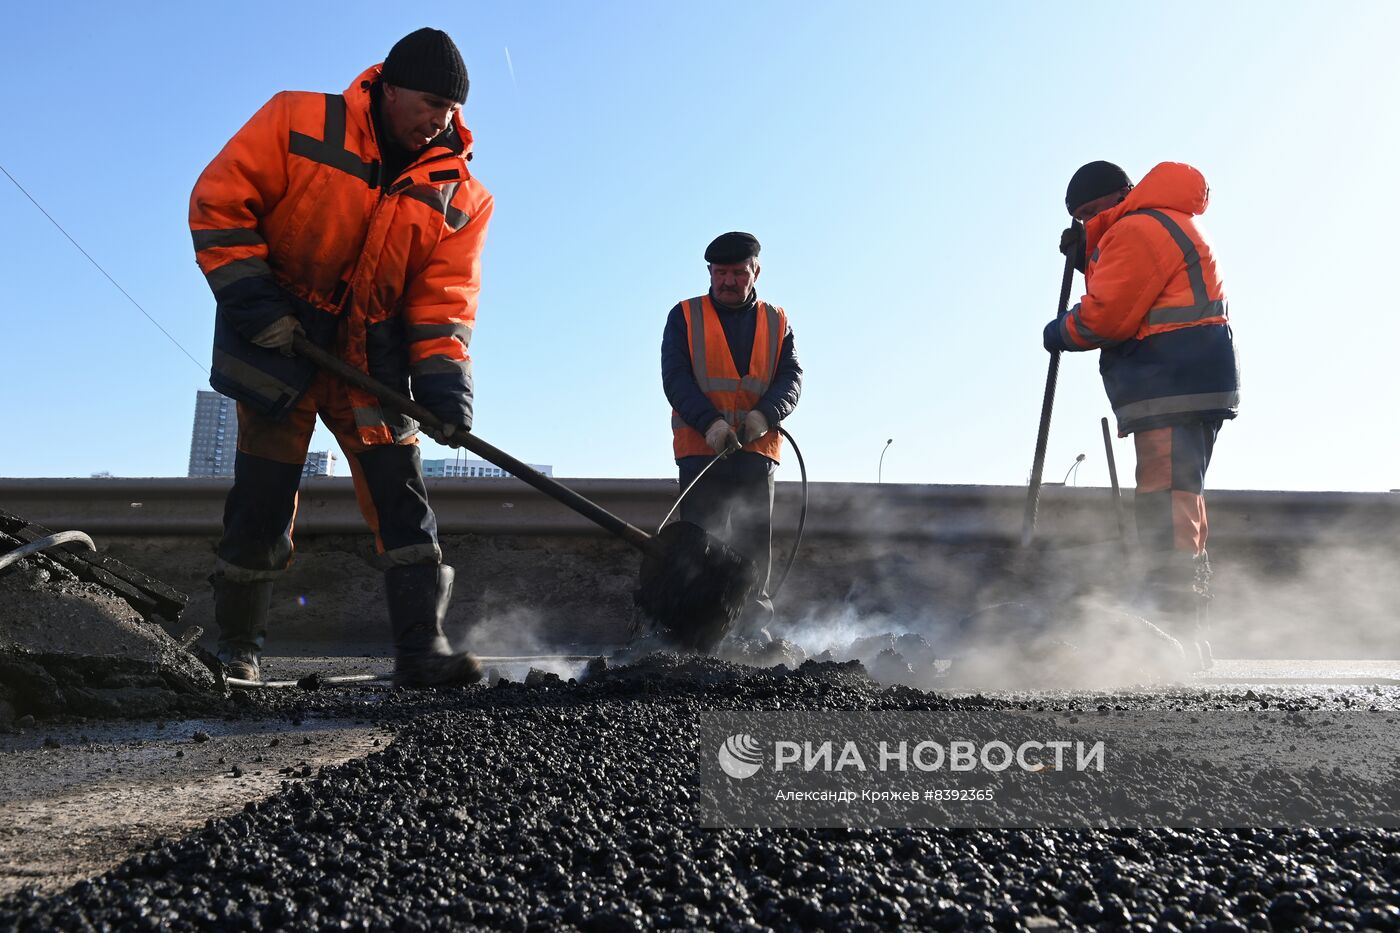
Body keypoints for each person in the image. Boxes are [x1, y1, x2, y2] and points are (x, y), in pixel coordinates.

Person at [188, 28, 494, 686]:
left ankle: (422, 649)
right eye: (428, 102)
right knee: (262, 502)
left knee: (402, 500)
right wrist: (259, 309)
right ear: (387, 87)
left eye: (449, 108)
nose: (438, 119)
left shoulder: (460, 196)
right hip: (283, 341)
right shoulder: (297, 120)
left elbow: (444, 305)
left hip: (371, 357)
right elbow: (218, 204)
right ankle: (236, 648)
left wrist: (444, 397)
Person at [1045, 161, 1240, 669]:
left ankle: (1172, 632)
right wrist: (1091, 255)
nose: (1087, 223)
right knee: (1181, 503)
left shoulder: (1137, 228)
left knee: (1165, 505)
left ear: (1120, 196)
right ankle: (1189, 638)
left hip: (1171, 381)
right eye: (1080, 218)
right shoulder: (1156, 222)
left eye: (1091, 212)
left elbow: (1108, 315)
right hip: (1187, 379)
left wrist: (1062, 330)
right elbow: (1134, 285)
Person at [661, 232, 803, 642]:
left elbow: (791, 379)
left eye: (737, 273)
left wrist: (764, 415)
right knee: (699, 542)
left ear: (755, 271)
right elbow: (676, 379)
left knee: (755, 541)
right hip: (699, 450)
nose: (727, 281)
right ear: (709, 272)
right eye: (720, 273)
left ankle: (749, 630)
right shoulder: (684, 316)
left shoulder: (778, 321)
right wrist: (711, 424)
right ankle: (693, 633)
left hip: (757, 452)